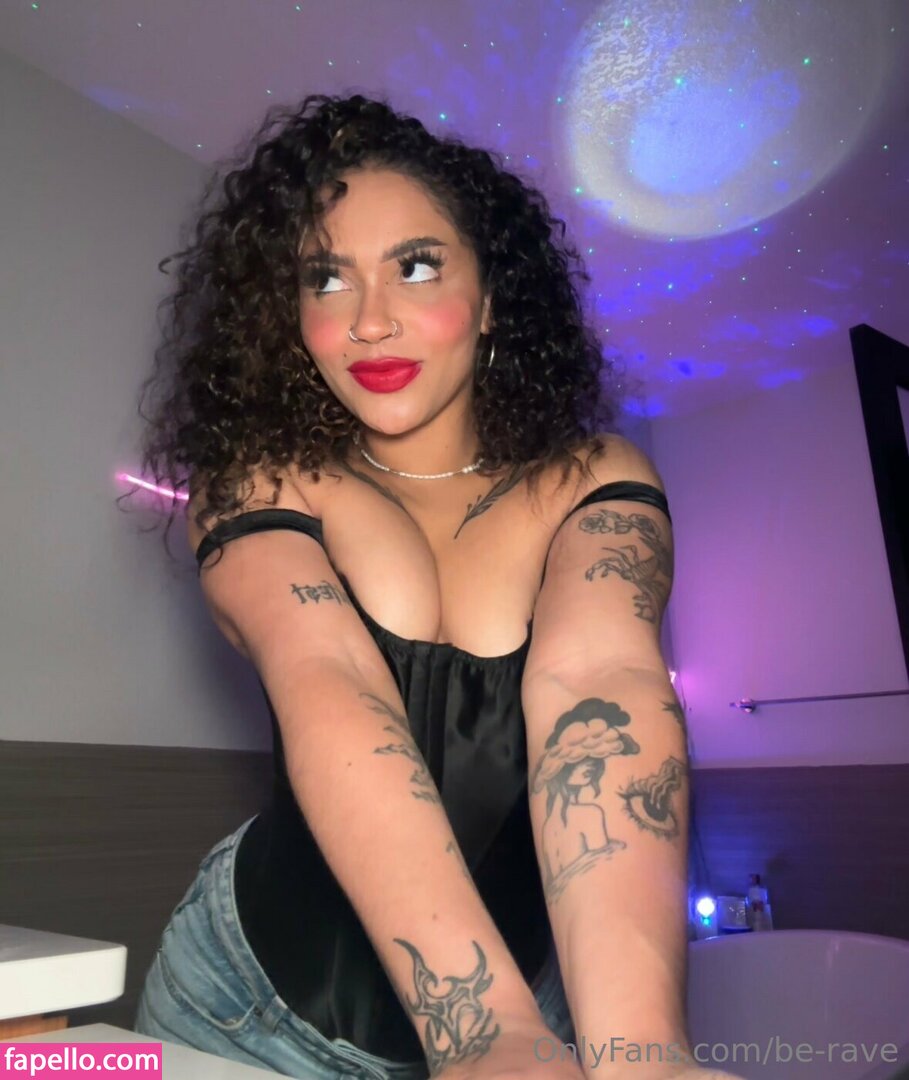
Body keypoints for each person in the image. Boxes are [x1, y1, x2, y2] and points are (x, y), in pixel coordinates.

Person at [128, 93, 742, 1080]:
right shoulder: (259, 481)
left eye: (415, 266)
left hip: (543, 1019)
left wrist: (639, 1054)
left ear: (492, 298)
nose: (369, 320)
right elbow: (328, 678)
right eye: (326, 278)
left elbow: (605, 685)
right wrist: (483, 1033)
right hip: (245, 1015)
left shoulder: (594, 478)